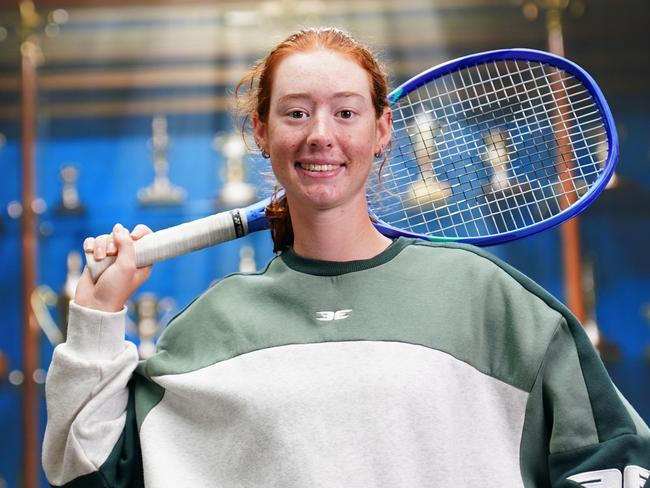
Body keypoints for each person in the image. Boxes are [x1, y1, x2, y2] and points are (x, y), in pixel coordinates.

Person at [43, 27, 649, 488]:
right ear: (261, 132)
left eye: (346, 112)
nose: (320, 134)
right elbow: (92, 474)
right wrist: (97, 315)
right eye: (296, 112)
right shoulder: (210, 327)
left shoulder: (487, 297)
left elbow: (615, 458)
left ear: (383, 130)